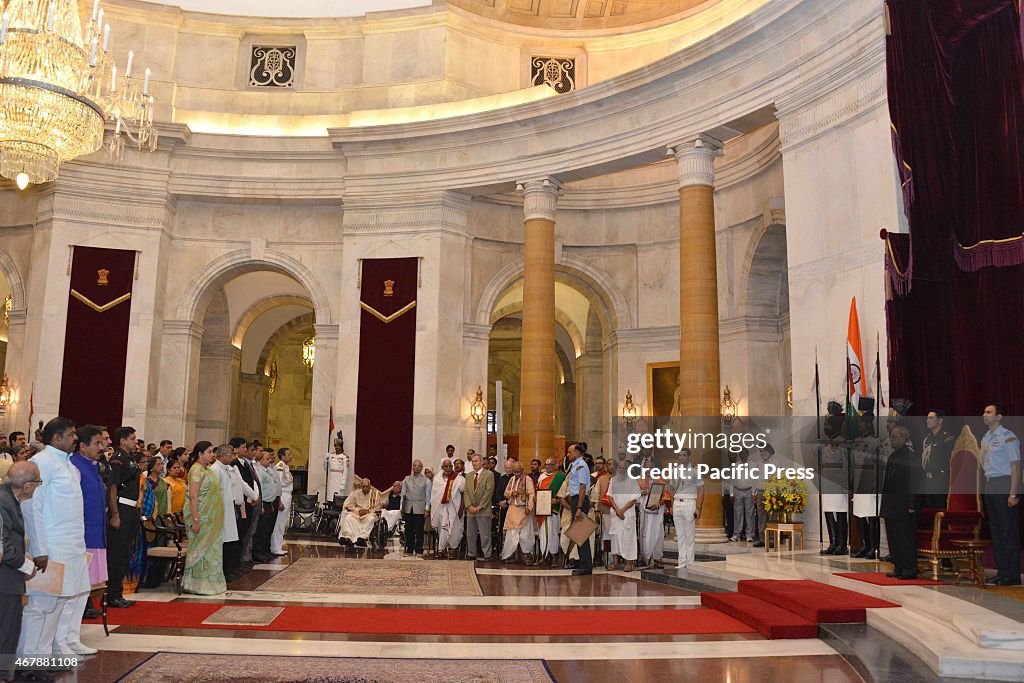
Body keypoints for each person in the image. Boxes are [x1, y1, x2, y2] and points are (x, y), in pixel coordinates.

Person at [20, 417, 96, 658]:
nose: (76, 438)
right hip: (51, 545)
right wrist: (40, 548)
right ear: (56, 438)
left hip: (71, 545)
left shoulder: (68, 464)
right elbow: (32, 507)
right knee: (41, 604)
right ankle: (28, 658)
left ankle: (45, 655)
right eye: (72, 434)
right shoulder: (41, 463)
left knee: (60, 602)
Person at [1, 462, 41, 682]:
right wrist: (26, 565)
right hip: (4, 581)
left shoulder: (8, 498)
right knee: (5, 634)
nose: (37, 488)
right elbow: (3, 545)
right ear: (27, 486)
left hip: (8, 578)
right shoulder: (3, 502)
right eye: (37, 483)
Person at [980, 403, 1021, 586]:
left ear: (999, 416)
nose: (984, 415)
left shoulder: (1008, 437)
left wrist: (1013, 493)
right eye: (984, 412)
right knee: (996, 530)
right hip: (990, 484)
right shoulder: (985, 438)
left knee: (1007, 530)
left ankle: (1011, 574)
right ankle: (1002, 571)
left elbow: (1015, 466)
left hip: (1005, 483)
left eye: (989, 412)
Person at [70, 426, 107, 619]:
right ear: (83, 446)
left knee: (89, 578)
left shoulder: (92, 465)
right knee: (80, 577)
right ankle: (82, 608)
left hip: (95, 529)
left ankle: (86, 605)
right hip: (83, 531)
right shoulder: (75, 466)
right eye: (97, 443)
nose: (102, 447)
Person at [182, 442, 226, 595]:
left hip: (212, 520)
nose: (212, 455)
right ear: (200, 454)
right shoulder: (196, 470)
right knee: (201, 551)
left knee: (212, 552)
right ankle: (197, 585)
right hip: (200, 517)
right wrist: (195, 519)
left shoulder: (207, 470)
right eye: (209, 452)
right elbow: (193, 496)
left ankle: (212, 584)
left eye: (213, 452)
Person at [105, 426, 140, 608]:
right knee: (117, 553)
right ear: (123, 441)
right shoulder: (118, 459)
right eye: (132, 438)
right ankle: (112, 593)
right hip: (121, 507)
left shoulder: (130, 458)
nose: (136, 441)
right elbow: (112, 487)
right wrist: (115, 514)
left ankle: (118, 591)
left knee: (125, 551)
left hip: (131, 509)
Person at [880, 426, 921, 580]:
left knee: (904, 537)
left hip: (903, 504)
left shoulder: (910, 457)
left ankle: (909, 568)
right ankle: (898, 566)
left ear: (904, 438)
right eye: (891, 436)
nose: (892, 439)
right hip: (891, 503)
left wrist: (911, 503)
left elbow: (913, 482)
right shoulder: (893, 456)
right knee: (893, 537)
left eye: (895, 437)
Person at [209, 445, 241, 583]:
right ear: (222, 455)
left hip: (228, 508)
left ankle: (228, 570)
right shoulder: (215, 469)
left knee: (229, 541)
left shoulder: (225, 468)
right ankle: (222, 572)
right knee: (223, 542)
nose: (232, 457)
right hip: (221, 510)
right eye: (230, 454)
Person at [230, 438, 261, 569]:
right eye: (243, 447)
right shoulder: (234, 464)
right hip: (240, 502)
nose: (246, 450)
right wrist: (253, 496)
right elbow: (241, 484)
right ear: (235, 449)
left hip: (248, 502)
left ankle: (239, 561)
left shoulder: (244, 464)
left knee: (246, 533)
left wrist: (255, 496)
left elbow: (251, 481)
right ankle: (235, 563)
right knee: (238, 534)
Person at [566, 443, 594, 576]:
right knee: (579, 535)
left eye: (570, 452)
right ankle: (584, 564)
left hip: (580, 501)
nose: (568, 454)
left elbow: (582, 487)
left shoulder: (581, 466)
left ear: (577, 452)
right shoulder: (576, 465)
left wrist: (578, 507)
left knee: (581, 535)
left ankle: (586, 566)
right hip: (576, 500)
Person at [637, 451, 669, 566]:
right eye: (647, 468)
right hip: (645, 511)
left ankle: (657, 558)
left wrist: (658, 504)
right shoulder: (639, 480)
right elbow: (635, 495)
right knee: (645, 533)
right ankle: (644, 557)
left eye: (651, 468)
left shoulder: (660, 479)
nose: (649, 470)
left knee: (658, 533)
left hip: (657, 511)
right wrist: (643, 492)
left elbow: (666, 496)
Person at [501, 460, 535, 564]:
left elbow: (531, 494)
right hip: (513, 509)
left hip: (523, 509)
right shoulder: (512, 479)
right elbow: (506, 493)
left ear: (523, 470)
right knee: (511, 533)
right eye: (514, 472)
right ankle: (509, 555)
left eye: (518, 472)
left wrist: (529, 508)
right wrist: (512, 493)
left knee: (525, 534)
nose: (516, 474)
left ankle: (526, 555)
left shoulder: (528, 479)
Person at [430, 459, 465, 557]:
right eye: (446, 466)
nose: (449, 468)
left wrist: (461, 508)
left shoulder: (458, 478)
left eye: (450, 466)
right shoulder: (437, 479)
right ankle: (442, 549)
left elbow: (463, 494)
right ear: (442, 467)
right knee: (442, 527)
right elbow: (434, 496)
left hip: (454, 508)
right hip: (440, 509)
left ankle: (453, 548)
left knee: (455, 529)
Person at [463, 453, 494, 561]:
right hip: (471, 510)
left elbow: (488, 492)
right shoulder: (469, 475)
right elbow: (466, 492)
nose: (474, 463)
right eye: (473, 461)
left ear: (481, 462)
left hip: (483, 510)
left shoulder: (489, 474)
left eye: (476, 461)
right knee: (470, 534)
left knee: (485, 534)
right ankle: (471, 553)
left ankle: (487, 554)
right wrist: (469, 505)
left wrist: (480, 506)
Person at [920, 410, 954, 509]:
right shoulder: (928, 438)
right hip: (928, 480)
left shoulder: (947, 437)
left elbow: (950, 459)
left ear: (940, 420)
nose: (927, 420)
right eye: (927, 418)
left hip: (940, 479)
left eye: (931, 418)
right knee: (930, 510)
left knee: (941, 509)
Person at [535, 458, 565, 566]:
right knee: (543, 533)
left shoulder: (560, 476)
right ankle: (544, 554)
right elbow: (537, 490)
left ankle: (554, 555)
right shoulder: (541, 477)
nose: (548, 467)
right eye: (546, 464)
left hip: (554, 509)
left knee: (553, 533)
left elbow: (565, 492)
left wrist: (557, 500)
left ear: (555, 465)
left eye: (551, 464)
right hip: (542, 509)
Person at [253, 450, 282, 563]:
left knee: (268, 529)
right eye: (266, 459)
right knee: (261, 529)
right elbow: (259, 488)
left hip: (270, 502)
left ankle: (265, 550)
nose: (269, 460)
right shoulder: (260, 471)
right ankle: (258, 553)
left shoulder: (269, 470)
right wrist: (262, 505)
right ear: (260, 460)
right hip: (264, 502)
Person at [401, 460, 430, 556]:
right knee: (408, 529)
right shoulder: (406, 479)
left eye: (418, 466)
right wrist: (402, 507)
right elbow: (403, 494)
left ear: (421, 468)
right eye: (415, 465)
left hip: (420, 507)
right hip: (408, 507)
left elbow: (428, 496)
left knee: (419, 530)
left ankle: (419, 549)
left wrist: (427, 509)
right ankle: (409, 549)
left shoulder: (426, 480)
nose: (416, 467)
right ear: (412, 467)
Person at [339, 478, 380, 547]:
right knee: (349, 518)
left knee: (371, 519)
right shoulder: (356, 493)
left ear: (370, 486)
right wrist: (357, 510)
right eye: (363, 486)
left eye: (367, 486)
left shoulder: (375, 494)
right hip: (357, 513)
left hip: (369, 514)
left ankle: (362, 538)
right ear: (361, 486)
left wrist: (367, 511)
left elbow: (378, 507)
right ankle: (349, 537)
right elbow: (348, 504)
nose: (365, 488)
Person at [270, 448, 293, 557]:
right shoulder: (279, 467)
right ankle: (275, 547)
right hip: (282, 495)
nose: (291, 456)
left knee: (283, 522)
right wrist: (279, 501)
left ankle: (278, 545)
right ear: (282, 456)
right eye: (288, 454)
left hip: (287, 494)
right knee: (279, 523)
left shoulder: (285, 467)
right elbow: (278, 485)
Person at [751, 444, 775, 548]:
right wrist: (753, 493)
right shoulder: (758, 464)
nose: (762, 453)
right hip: (760, 492)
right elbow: (754, 480)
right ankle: (762, 539)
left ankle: (772, 539)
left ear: (770, 452)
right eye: (760, 451)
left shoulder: (776, 463)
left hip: (771, 493)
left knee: (771, 516)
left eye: (764, 451)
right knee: (761, 517)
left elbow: (779, 478)